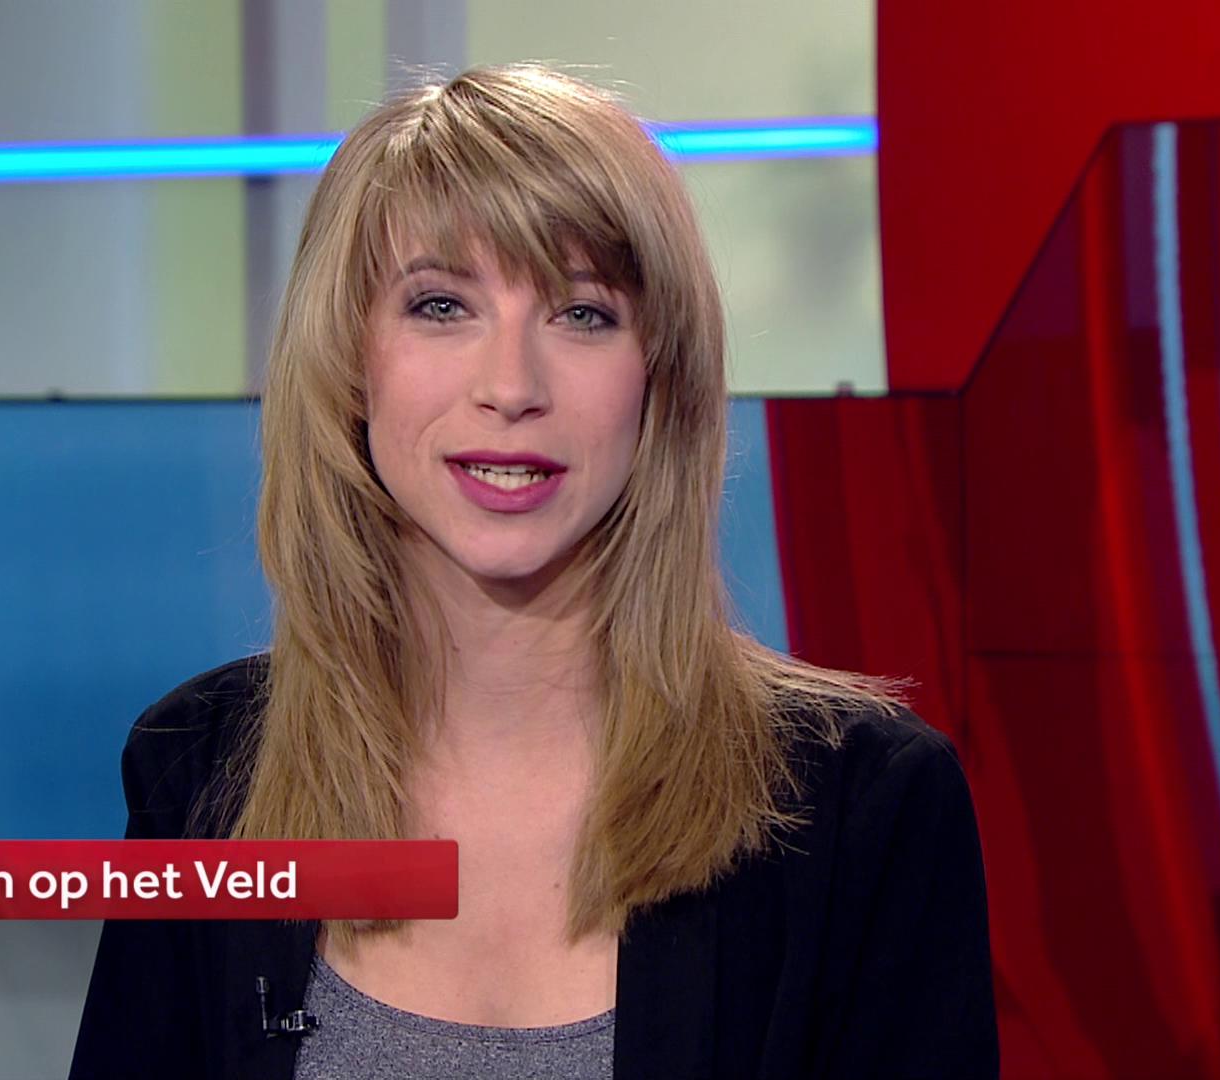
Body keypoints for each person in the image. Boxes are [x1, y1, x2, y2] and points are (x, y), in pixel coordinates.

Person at [69, 62, 995, 1080]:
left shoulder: (864, 805)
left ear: (659, 380)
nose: (511, 386)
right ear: (349, 363)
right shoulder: (200, 773)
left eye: (583, 314)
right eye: (440, 306)